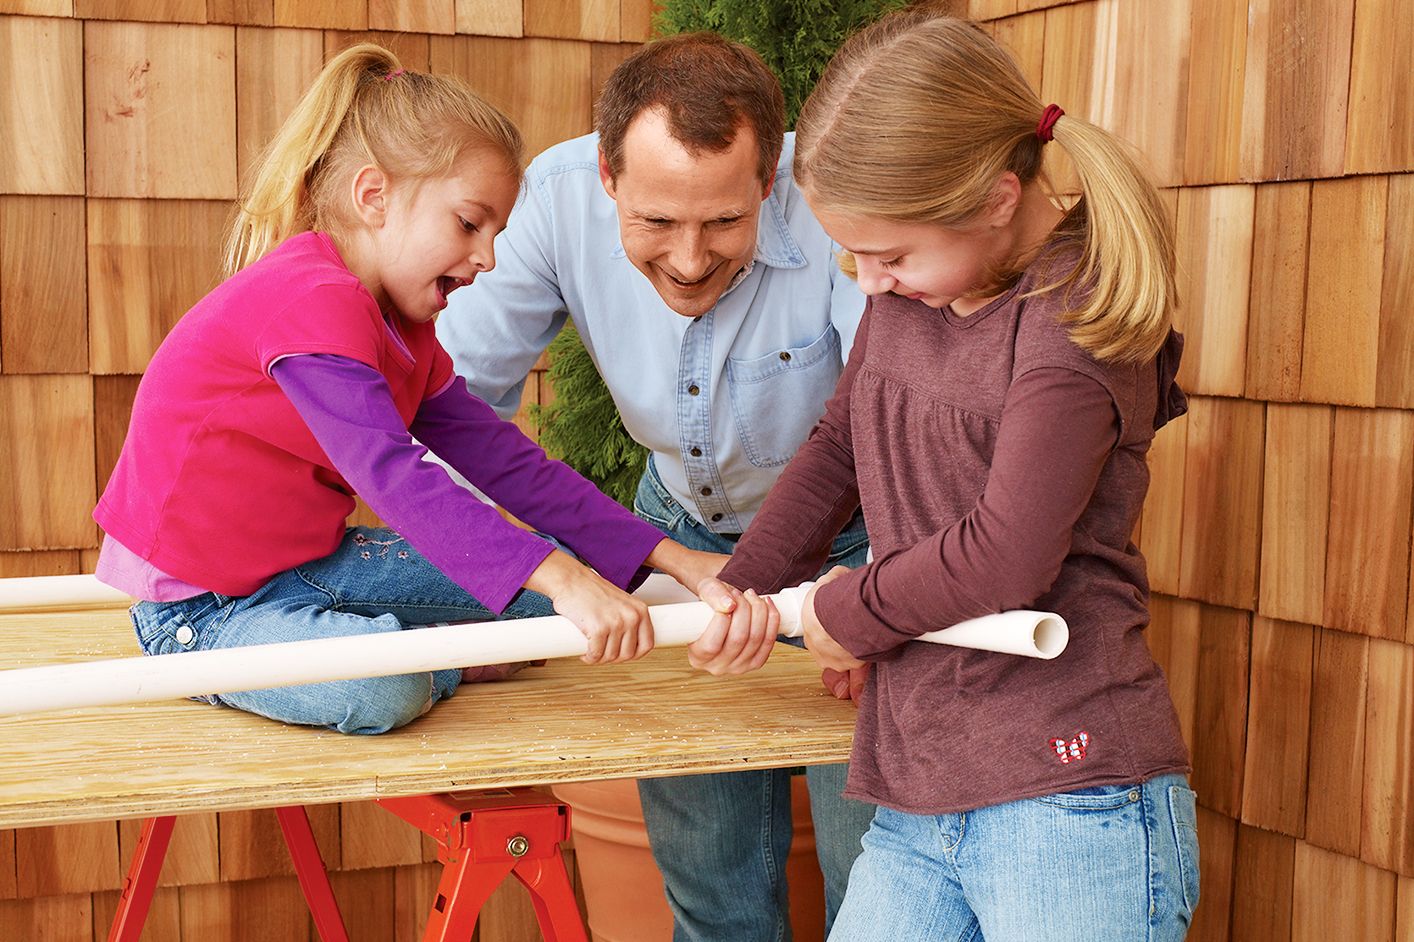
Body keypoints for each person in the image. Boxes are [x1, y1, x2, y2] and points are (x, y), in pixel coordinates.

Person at [91, 44, 752, 736]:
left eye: (497, 232)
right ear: (374, 196)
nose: (489, 257)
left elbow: (508, 463)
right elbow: (392, 477)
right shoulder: (309, 299)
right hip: (202, 612)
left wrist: (676, 558)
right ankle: (409, 652)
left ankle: (385, 636)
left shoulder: (403, 328)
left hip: (308, 568)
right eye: (469, 223)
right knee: (387, 688)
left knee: (554, 613)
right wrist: (558, 576)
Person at [715, 11, 1201, 941]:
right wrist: (746, 585)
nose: (867, 281)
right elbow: (836, 450)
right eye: (852, 255)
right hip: (920, 787)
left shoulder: (1073, 320)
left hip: (1071, 798)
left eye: (889, 255)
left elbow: (1006, 555)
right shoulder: (912, 296)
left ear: (996, 197)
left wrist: (842, 613)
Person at [436, 32, 876, 941]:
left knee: (875, 886)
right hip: (679, 543)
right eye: (656, 224)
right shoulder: (552, 203)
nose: (686, 259)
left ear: (769, 184)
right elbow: (443, 410)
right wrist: (499, 578)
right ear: (606, 177)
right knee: (713, 893)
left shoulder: (837, 201)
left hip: (855, 549)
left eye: (722, 223)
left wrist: (889, 594)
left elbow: (902, 417)